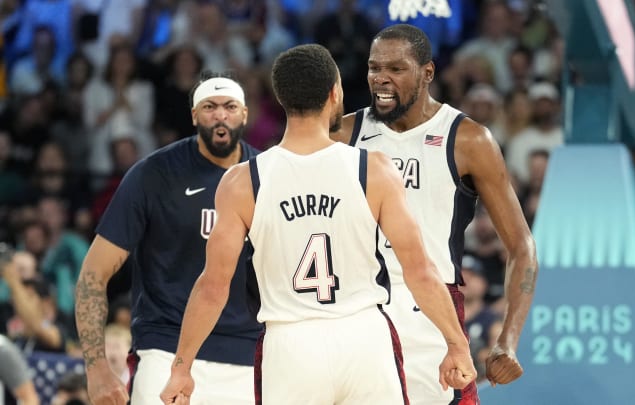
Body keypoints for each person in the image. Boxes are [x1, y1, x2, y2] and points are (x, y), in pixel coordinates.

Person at [159, 44, 476, 405]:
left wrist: (181, 368)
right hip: (363, 338)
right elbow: (420, 272)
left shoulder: (242, 181)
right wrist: (455, 343)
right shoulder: (374, 169)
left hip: (291, 343)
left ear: (280, 99)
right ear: (334, 93)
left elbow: (213, 288)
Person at [331, 24, 537, 404]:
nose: (381, 80)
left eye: (396, 69)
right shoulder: (344, 134)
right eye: (375, 68)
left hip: (431, 309)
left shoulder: (468, 138)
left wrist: (507, 340)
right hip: (357, 304)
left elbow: (522, 246)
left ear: (427, 72)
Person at [75, 71, 263, 404]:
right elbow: (93, 274)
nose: (220, 115)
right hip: (165, 348)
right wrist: (96, 368)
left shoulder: (268, 174)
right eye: (210, 107)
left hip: (247, 356)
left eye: (230, 106)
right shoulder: (153, 174)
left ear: (245, 113)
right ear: (194, 115)